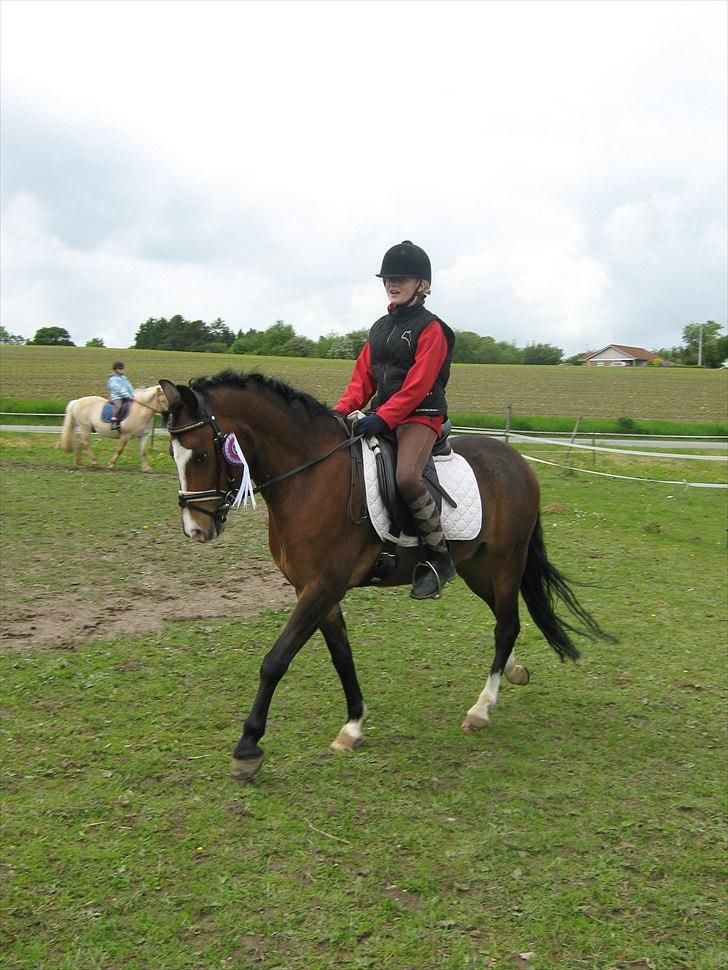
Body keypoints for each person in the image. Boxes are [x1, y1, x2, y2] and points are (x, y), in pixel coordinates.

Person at [334, 241, 457, 600]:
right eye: (388, 277)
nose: (392, 283)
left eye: (401, 278)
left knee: (406, 477)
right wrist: (339, 413)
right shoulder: (379, 328)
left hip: (421, 418)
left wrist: (383, 418)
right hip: (385, 416)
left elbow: (418, 386)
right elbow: (362, 380)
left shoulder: (432, 329)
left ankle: (439, 556)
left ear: (422, 284)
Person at [107, 361, 135, 430]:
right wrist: (127, 395)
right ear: (115, 370)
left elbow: (129, 387)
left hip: (125, 396)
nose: (122, 370)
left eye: (122, 369)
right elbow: (119, 389)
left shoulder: (124, 378)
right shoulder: (113, 379)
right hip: (117, 397)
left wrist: (133, 394)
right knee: (119, 406)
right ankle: (113, 421)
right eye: (120, 369)